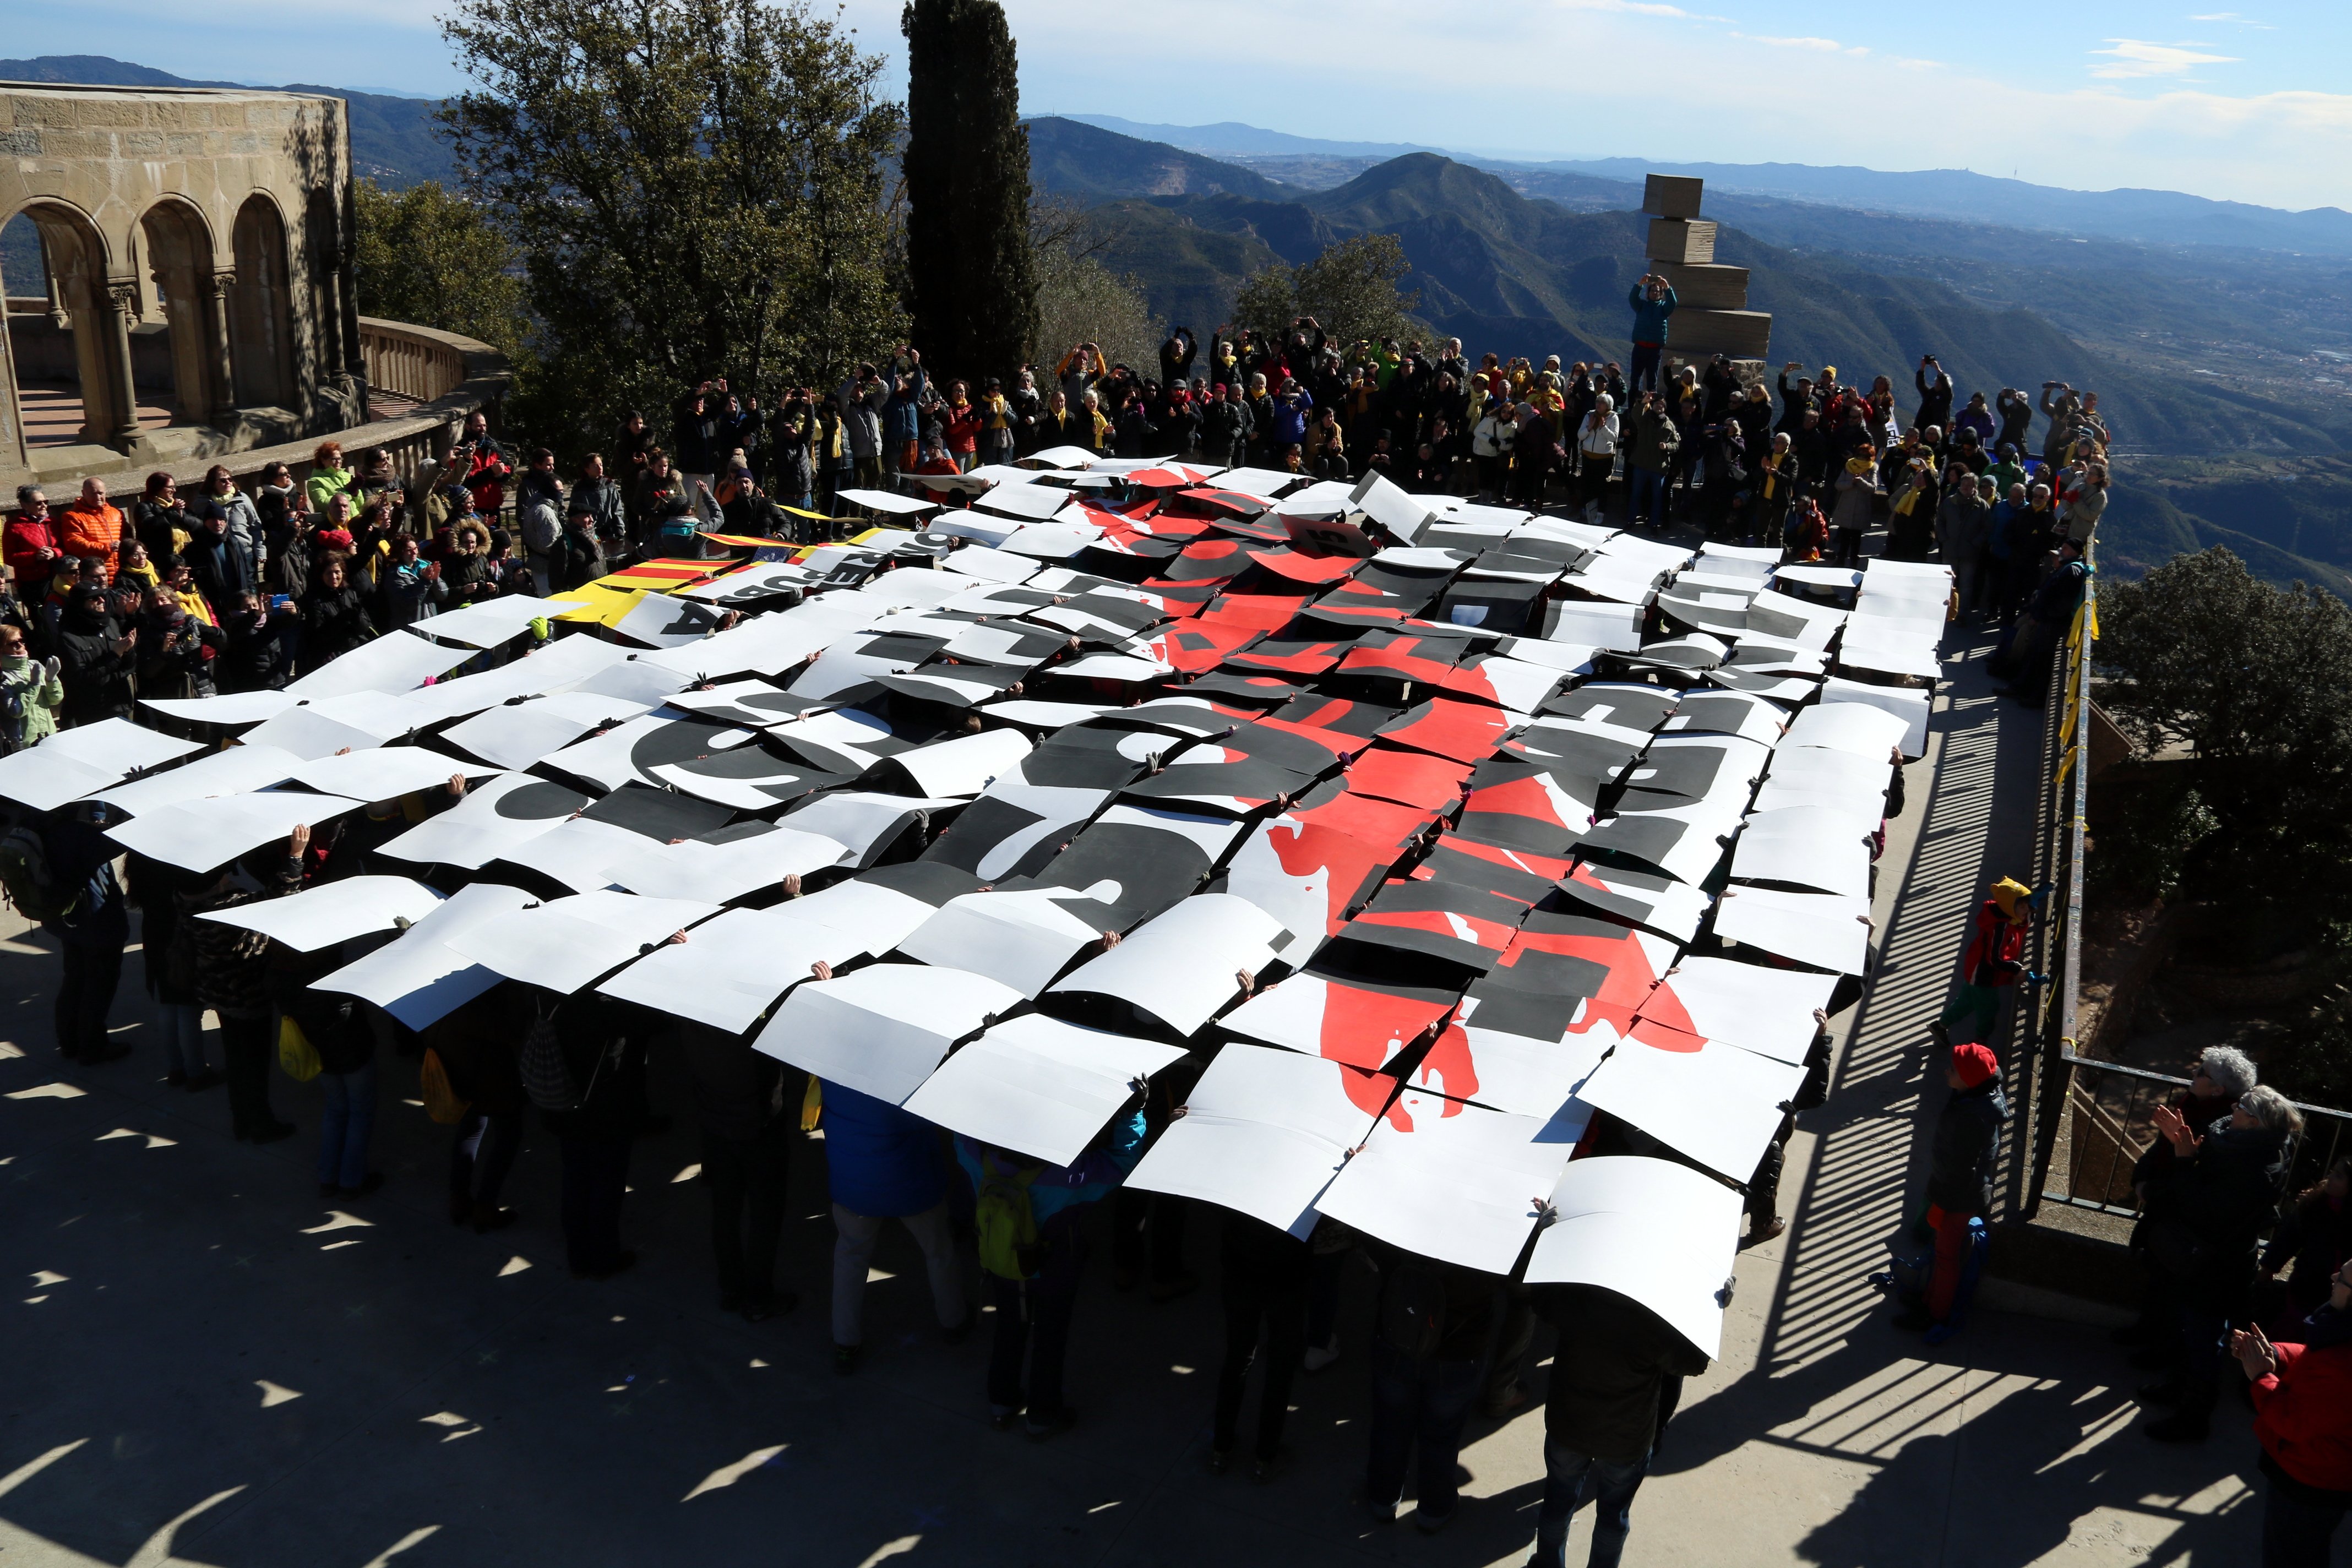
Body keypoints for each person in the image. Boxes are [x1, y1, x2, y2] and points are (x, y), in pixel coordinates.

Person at [957, 1108, 1143, 1440]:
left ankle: (1001, 1404)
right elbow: (1121, 1163)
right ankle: (1042, 1418)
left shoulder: (976, 1155)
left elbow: (960, 1127)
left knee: (1009, 1328)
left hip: (1002, 1265)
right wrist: (1133, 1113)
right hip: (1056, 1270)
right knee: (1050, 1338)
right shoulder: (1067, 1176)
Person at [2137, 1084, 2302, 1442]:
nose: (2233, 1107)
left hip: (2216, 1266)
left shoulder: (2255, 1169)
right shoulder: (2239, 1142)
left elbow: (2205, 1211)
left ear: (2256, 1122)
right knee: (2193, 1329)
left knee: (2203, 1338)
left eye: (2242, 1105)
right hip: (2209, 1259)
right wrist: (2186, 1149)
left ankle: (2194, 1417)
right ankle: (2180, 1388)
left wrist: (2184, 1159)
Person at [1527, 1283, 1712, 1568]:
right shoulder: (1656, 1319)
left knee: (1557, 1503)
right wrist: (1710, 1310)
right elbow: (1695, 1362)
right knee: (1613, 1518)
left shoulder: (1580, 1296)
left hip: (1569, 1425)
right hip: (1627, 1440)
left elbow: (1539, 1300)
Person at [819, 1074, 970, 1373]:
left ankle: (845, 1342)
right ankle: (954, 1322)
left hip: (853, 1187)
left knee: (850, 1258)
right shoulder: (909, 1078)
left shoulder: (830, 1073)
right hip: (914, 1186)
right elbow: (933, 1121)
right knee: (939, 1252)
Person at [1362, 1241, 1503, 1531]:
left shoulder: (1399, 1212)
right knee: (1442, 1435)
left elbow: (1372, 1245)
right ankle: (1434, 1509)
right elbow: (1519, 1280)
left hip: (1397, 1336)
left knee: (1390, 1426)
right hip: (1459, 1352)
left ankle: (1382, 1499)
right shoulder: (1495, 1232)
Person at [2232, 1265, 2352, 1566]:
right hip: (2321, 1473)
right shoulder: (2342, 1330)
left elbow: (2293, 1421)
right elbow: (2315, 1359)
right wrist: (2276, 1353)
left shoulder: (2345, 1365)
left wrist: (2260, 1375)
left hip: (2310, 1481)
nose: (2333, 1277)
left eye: (2343, 1278)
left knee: (2291, 1555)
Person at [681, 1020, 799, 1322]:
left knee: (725, 1210)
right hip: (758, 1130)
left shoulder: (690, 1016)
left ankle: (731, 1288)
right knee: (765, 1216)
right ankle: (758, 1298)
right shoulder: (753, 1025)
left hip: (716, 1126)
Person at [1893, 1042, 2007, 1333]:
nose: (1947, 1071)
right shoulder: (1975, 1097)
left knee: (1946, 1258)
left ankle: (1935, 1315)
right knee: (1941, 1250)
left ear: (1968, 1078)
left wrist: (1941, 1203)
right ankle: (1929, 1301)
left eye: (1953, 1070)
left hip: (1958, 1198)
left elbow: (1962, 1171)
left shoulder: (1972, 1115)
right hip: (1956, 1192)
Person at [1208, 1210, 1310, 1480]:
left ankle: (1221, 1448)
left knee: (1238, 1358)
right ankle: (1265, 1457)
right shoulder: (1306, 1181)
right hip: (1287, 1280)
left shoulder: (1242, 1175)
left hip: (1240, 1274)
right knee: (1280, 1367)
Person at [424, 989, 525, 1233]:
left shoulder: (437, 1001)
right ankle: (485, 1206)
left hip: (461, 1081)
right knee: (507, 1139)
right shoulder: (474, 1006)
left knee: (470, 1131)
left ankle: (458, 1199)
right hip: (492, 1085)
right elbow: (511, 1033)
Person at [1932, 876, 2037, 1048]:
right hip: (1982, 973)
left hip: (1978, 969)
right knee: (1989, 1008)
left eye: (2027, 905)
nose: (2027, 910)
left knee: (1966, 1002)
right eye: (2022, 906)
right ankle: (1980, 1041)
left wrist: (2034, 903)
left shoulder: (2009, 918)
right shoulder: (2000, 927)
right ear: (2010, 907)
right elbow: (1994, 959)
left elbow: (2022, 924)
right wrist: (2017, 969)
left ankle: (1940, 1026)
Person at [52, 581, 138, 727]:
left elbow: (128, 667)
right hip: (92, 713)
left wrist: (128, 651)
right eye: (94, 598)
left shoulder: (110, 623)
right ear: (79, 603)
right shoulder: (69, 637)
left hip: (119, 704)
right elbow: (79, 678)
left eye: (102, 596)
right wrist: (115, 655)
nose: (102, 600)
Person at [299, 556, 375, 670]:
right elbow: (316, 636)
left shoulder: (350, 594)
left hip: (354, 651)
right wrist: (341, 620)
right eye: (329, 573)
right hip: (330, 658)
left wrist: (358, 619)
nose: (334, 577)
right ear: (321, 576)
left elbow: (367, 628)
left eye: (337, 572)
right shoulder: (315, 600)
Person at [0, 623, 62, 752]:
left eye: (22, 640)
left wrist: (51, 680)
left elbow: (55, 700)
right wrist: (34, 685)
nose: (21, 645)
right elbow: (16, 710)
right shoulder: (4, 677)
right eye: (13, 643)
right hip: (23, 744)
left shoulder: (34, 665)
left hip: (48, 735)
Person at [59, 477, 128, 585]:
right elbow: (73, 543)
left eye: (101, 493)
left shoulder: (116, 513)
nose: (98, 497)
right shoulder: (72, 517)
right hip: (95, 578)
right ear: (83, 493)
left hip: (121, 575)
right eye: (93, 494)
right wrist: (106, 548)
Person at [1624, 393, 1678, 529]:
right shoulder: (1644, 419)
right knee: (1636, 494)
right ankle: (1630, 521)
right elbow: (1635, 414)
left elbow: (1676, 444)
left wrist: (1668, 447)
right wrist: (1644, 401)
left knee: (1657, 498)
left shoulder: (1670, 424)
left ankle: (1654, 524)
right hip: (1641, 464)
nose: (1659, 406)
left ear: (1665, 408)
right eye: (1657, 404)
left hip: (1658, 467)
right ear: (1652, 406)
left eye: (1662, 405)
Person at [1625, 274, 1677, 394]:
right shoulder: (1641, 306)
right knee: (1635, 380)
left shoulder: (1664, 309)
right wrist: (1640, 284)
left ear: (1661, 294)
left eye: (1658, 291)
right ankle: (1633, 408)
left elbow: (1673, 303)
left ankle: (1651, 408)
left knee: (1652, 381)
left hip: (1655, 350)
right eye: (1653, 291)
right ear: (1648, 293)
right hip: (1639, 348)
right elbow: (1632, 298)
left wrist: (1668, 288)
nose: (1655, 293)